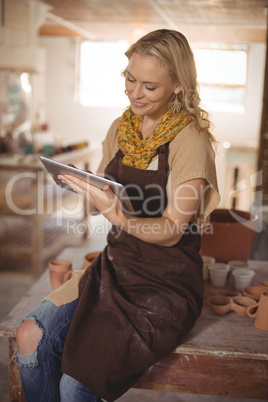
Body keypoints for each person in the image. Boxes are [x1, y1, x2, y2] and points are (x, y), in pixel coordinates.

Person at [15, 29, 220, 402]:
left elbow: (173, 230)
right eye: (129, 78)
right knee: (29, 337)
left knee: (75, 385)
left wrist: (117, 214)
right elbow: (102, 199)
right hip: (114, 266)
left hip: (164, 286)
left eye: (149, 86)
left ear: (177, 85)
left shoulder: (190, 140)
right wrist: (87, 192)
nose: (134, 93)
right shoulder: (121, 128)